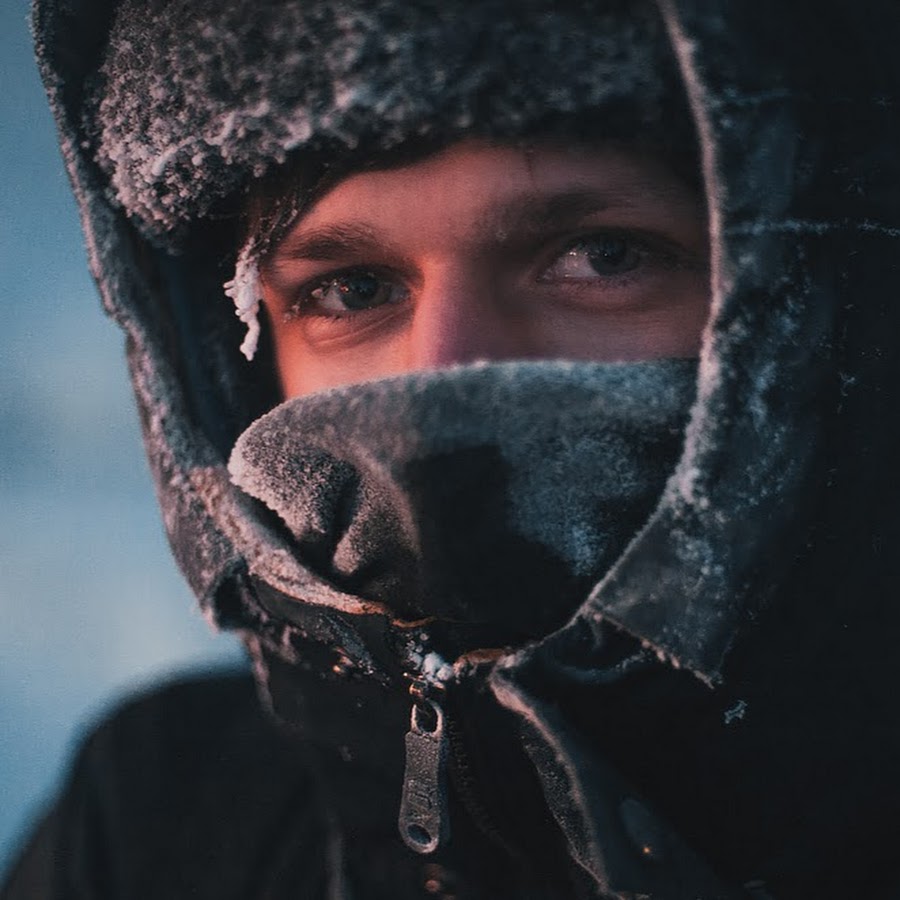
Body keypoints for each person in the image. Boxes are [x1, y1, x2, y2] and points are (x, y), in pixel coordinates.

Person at [6, 0, 900, 897]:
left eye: (605, 257)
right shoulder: (156, 814)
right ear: (236, 367)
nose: (441, 373)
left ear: (819, 299)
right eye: (353, 288)